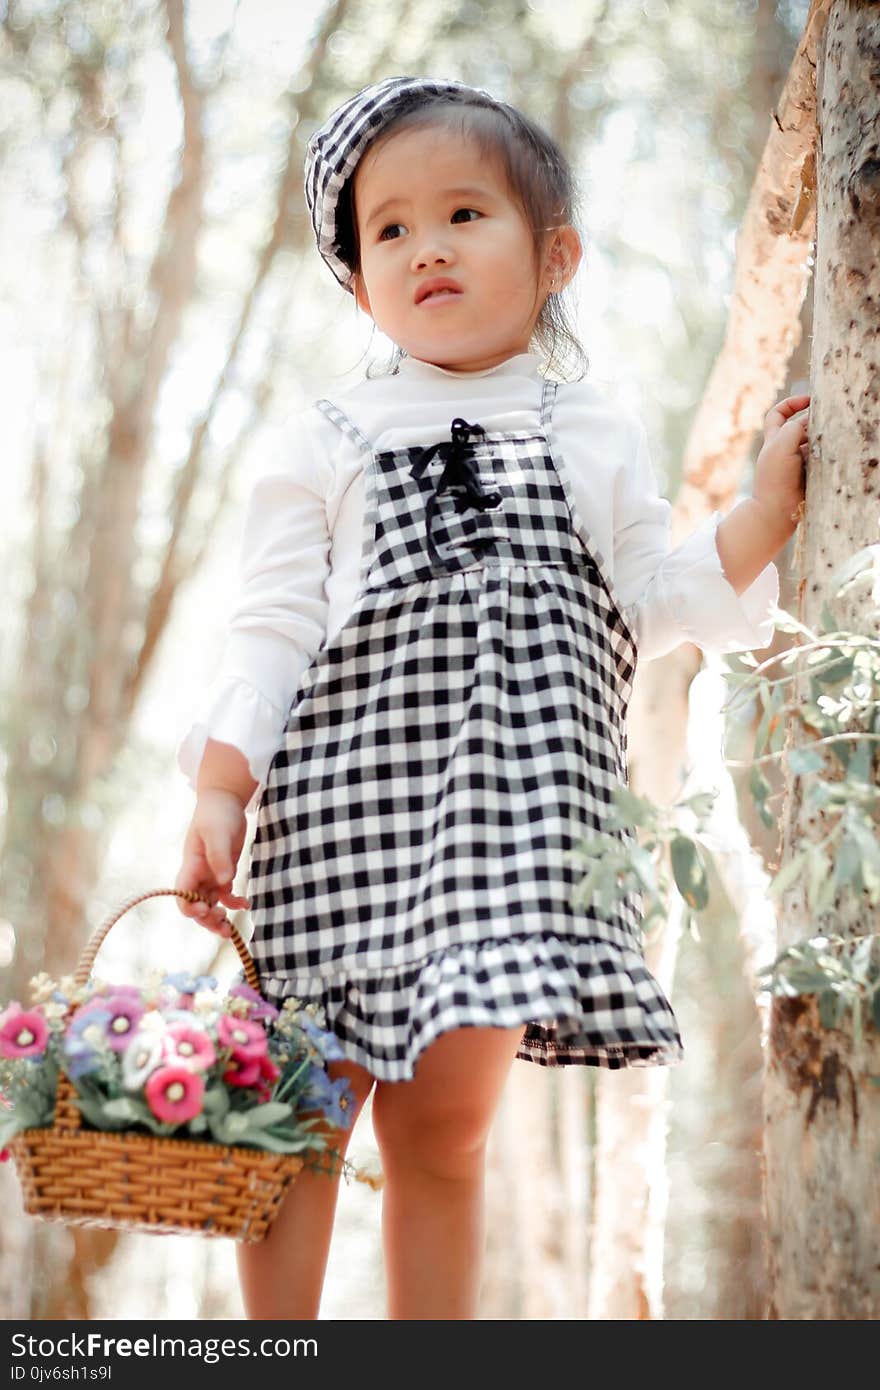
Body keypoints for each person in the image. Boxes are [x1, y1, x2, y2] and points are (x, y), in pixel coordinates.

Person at [174, 75, 810, 1320]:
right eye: (390, 231)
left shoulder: (593, 428)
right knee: (293, 1112)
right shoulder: (329, 434)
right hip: (336, 820)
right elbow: (271, 623)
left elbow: (661, 593)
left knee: (446, 1133)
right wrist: (218, 782)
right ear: (359, 282)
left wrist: (763, 513)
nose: (426, 248)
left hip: (512, 831)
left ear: (554, 252)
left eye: (464, 214)